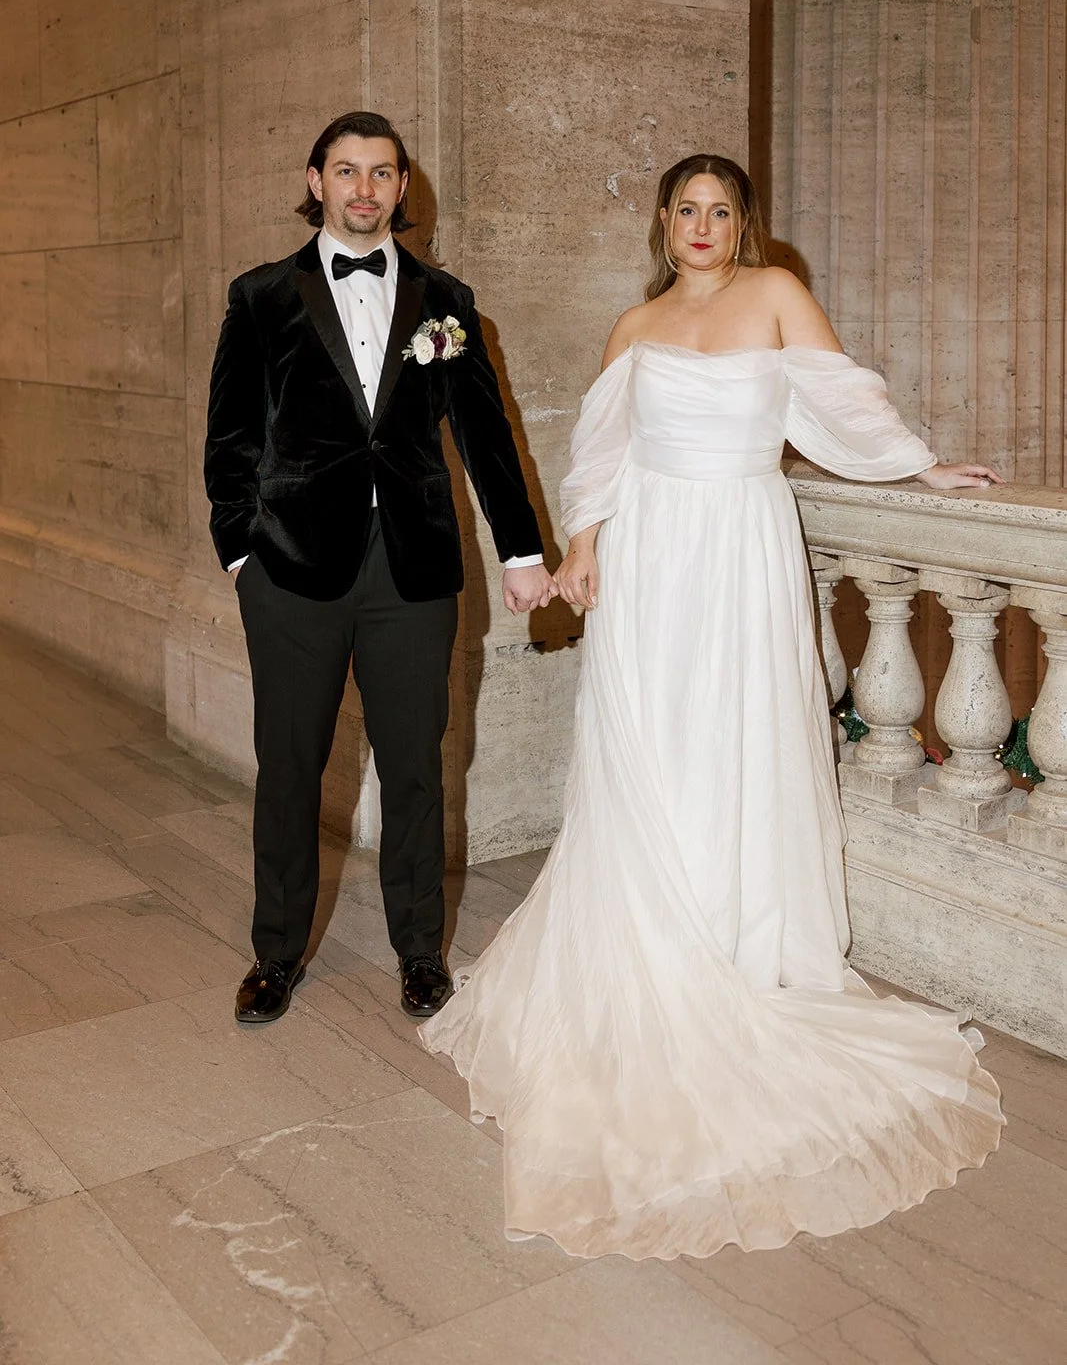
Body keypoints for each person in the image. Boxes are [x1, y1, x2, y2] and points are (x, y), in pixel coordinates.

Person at [420, 154, 1005, 1260]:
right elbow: (600, 458)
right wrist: (582, 549)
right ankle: (654, 937)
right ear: (661, 220)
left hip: (741, 543)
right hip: (651, 556)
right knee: (654, 742)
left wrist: (920, 468)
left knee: (739, 737)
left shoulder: (774, 293)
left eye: (719, 210)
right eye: (684, 209)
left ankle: (738, 940)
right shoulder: (633, 326)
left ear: (743, 223)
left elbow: (842, 399)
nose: (700, 225)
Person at [204, 111, 556, 1026]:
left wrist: (521, 551)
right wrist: (240, 553)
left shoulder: (447, 299)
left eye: (382, 172)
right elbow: (230, 438)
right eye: (346, 171)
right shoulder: (260, 296)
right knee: (290, 768)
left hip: (412, 570)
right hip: (289, 572)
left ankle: (419, 952)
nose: (364, 189)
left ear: (402, 186)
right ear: (315, 180)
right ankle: (275, 954)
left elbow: (485, 435)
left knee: (416, 770)